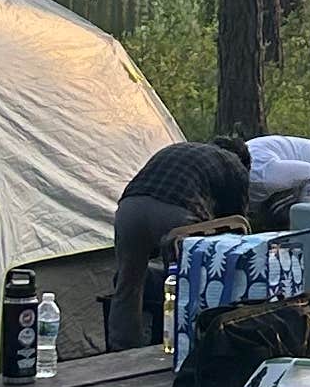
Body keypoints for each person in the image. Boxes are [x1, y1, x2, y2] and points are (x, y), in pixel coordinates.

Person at [103, 134, 254, 351]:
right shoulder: (235, 166)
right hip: (176, 216)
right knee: (191, 283)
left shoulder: (180, 149)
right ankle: (186, 343)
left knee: (129, 283)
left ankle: (122, 350)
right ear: (244, 161)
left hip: (129, 209)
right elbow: (236, 227)